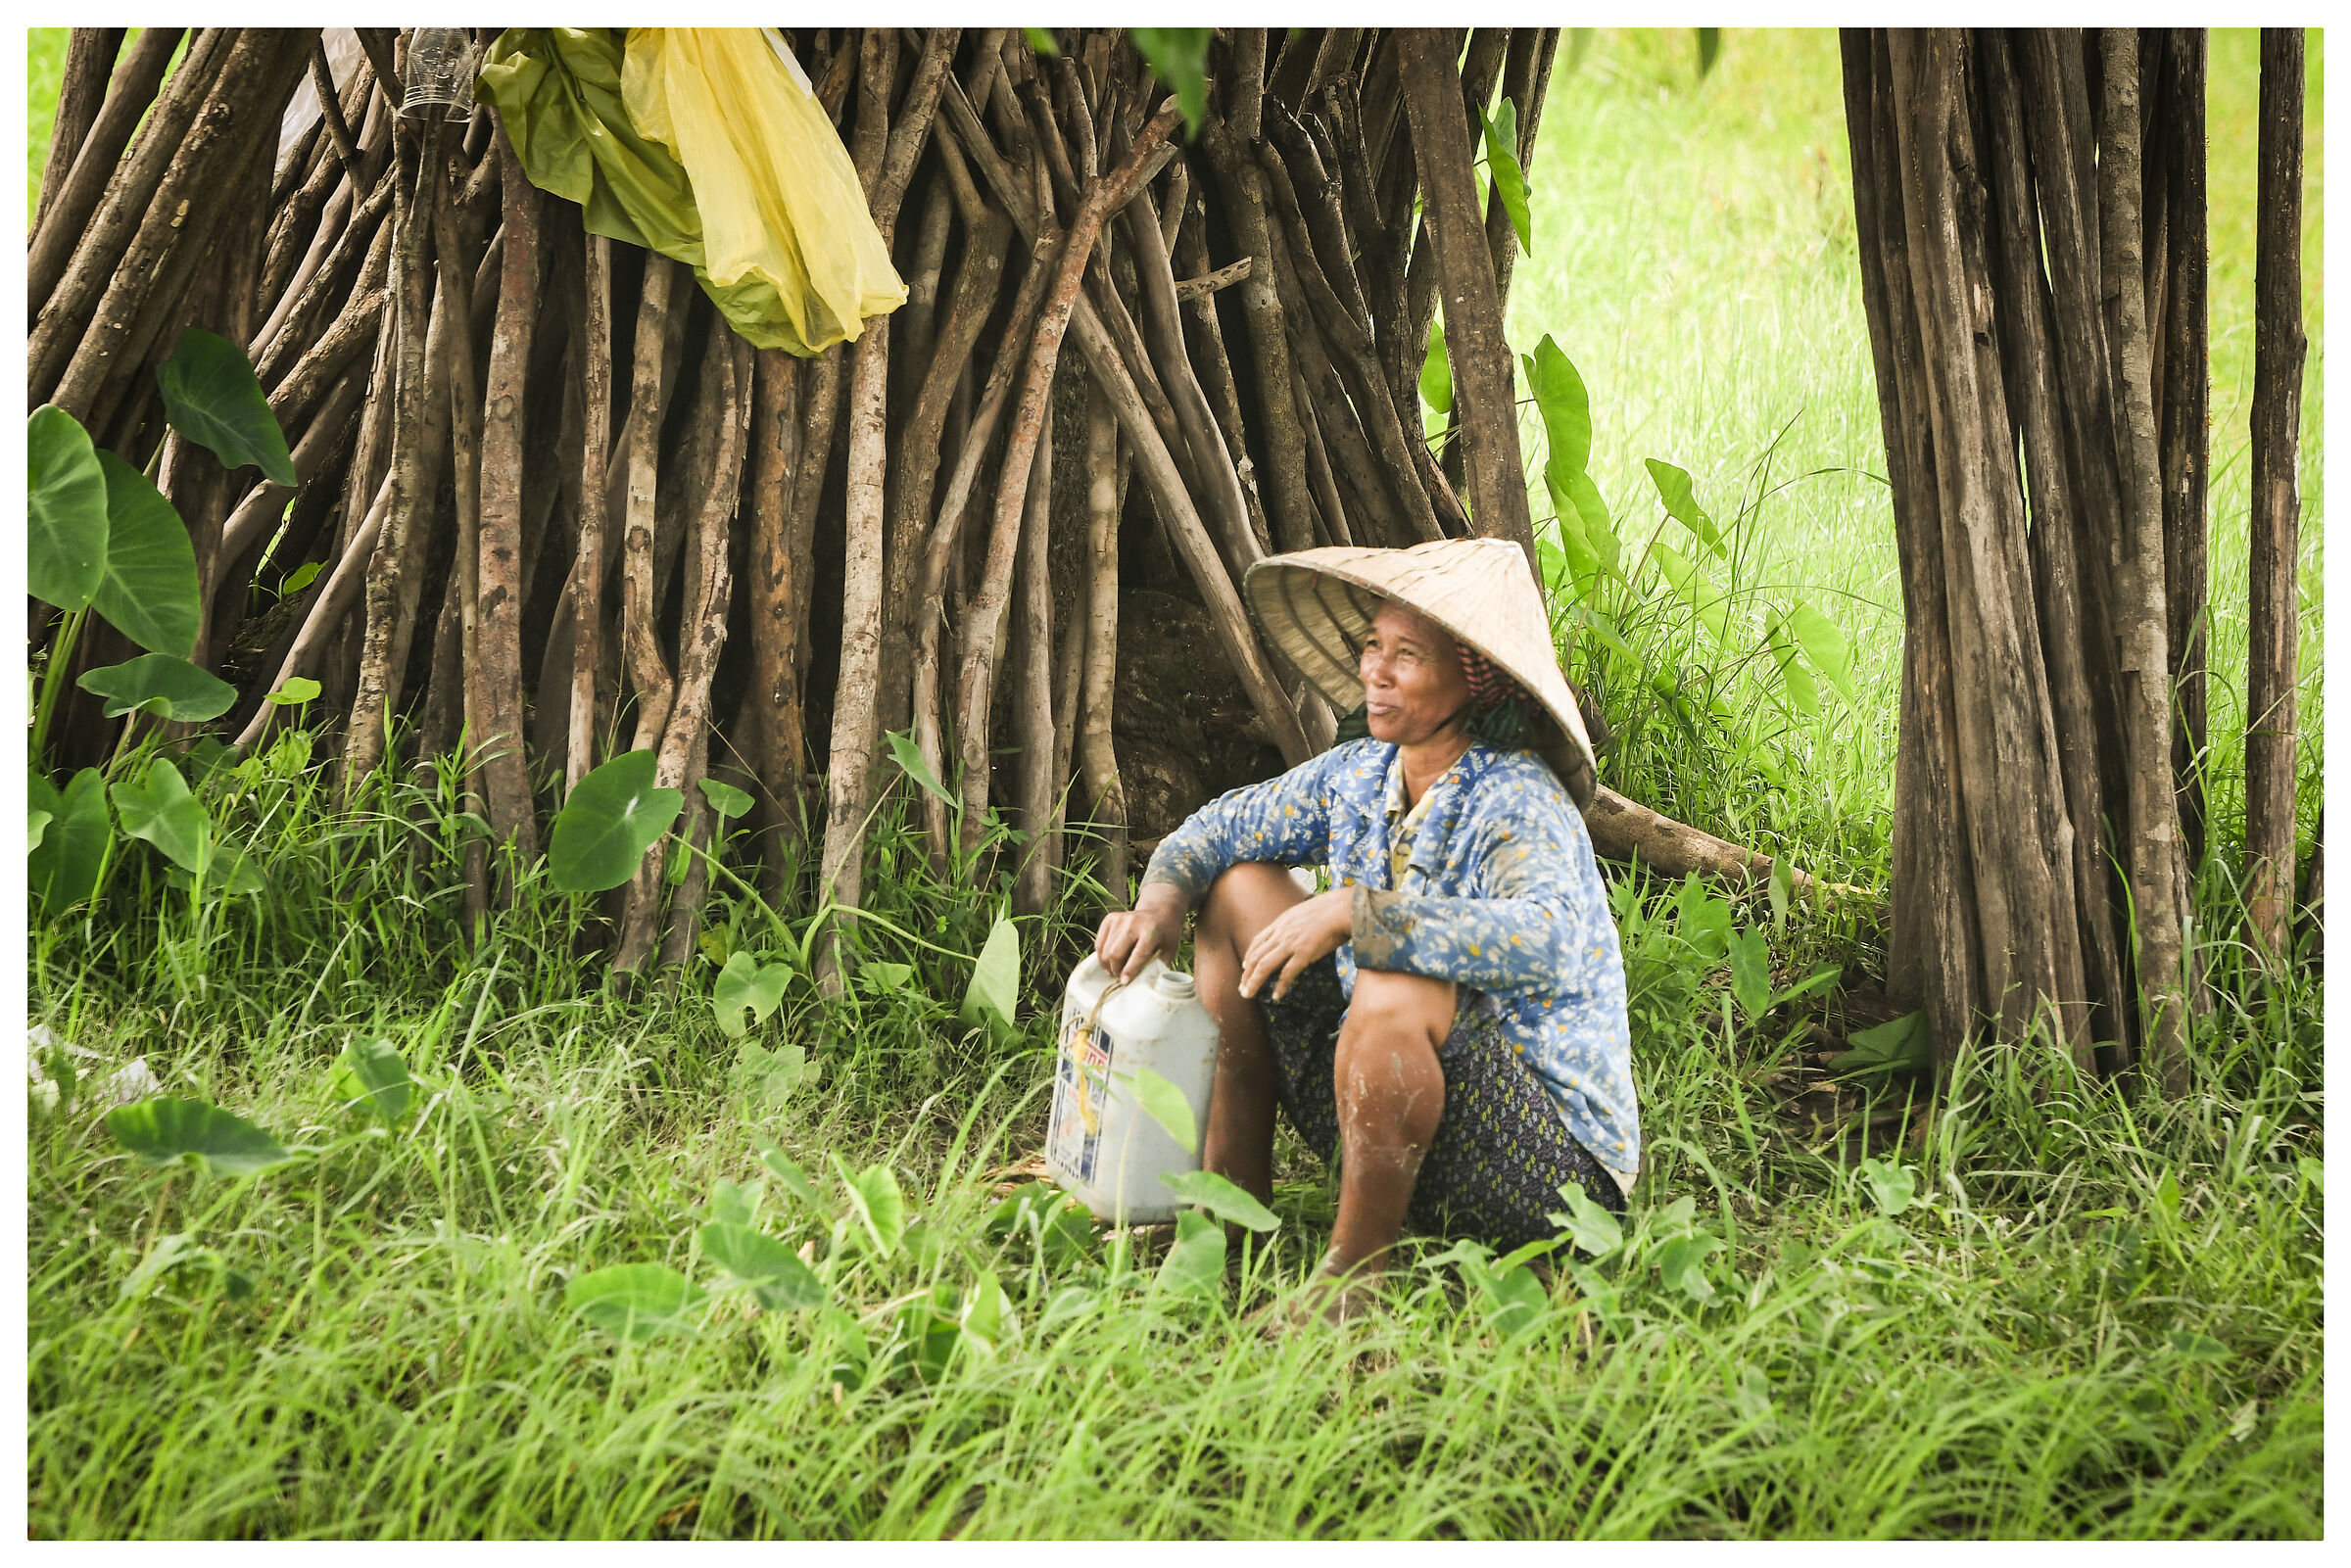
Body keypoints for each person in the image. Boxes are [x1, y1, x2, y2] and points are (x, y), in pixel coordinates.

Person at [1094, 538, 1636, 1323]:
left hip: (1550, 1175)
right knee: (1236, 890)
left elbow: (1548, 939)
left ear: (1472, 678)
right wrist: (1159, 906)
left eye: (1406, 655)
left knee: (1395, 966)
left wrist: (1356, 911)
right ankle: (1228, 1209)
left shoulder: (1518, 799)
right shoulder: (1360, 774)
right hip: (1398, 1109)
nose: (1374, 670)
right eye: (1372, 646)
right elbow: (1215, 830)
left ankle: (1351, 1283)